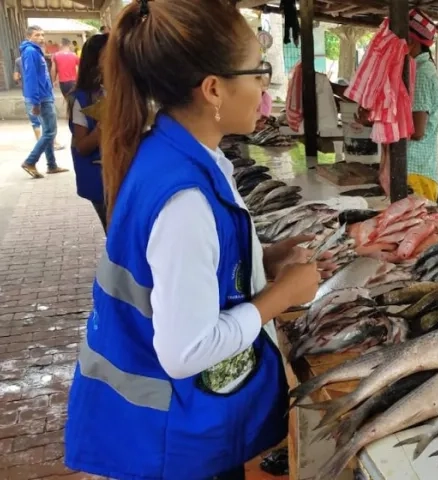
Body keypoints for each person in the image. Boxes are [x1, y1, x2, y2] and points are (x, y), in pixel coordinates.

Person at [63, 1, 331, 479]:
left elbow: (188, 271)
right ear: (213, 89)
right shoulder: (184, 197)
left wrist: (261, 260)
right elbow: (185, 350)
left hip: (167, 427)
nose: (263, 88)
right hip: (169, 440)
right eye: (259, 74)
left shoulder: (181, 155)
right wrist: (280, 297)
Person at [67, 34, 108, 231]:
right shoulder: (81, 99)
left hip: (126, 178)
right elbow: (82, 146)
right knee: (117, 235)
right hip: (100, 181)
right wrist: (102, 128)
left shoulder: (123, 90)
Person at [20, 25, 69, 178]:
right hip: (41, 98)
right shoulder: (30, 52)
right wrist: (35, 102)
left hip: (44, 96)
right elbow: (31, 78)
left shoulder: (35, 51)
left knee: (48, 131)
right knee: (50, 132)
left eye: (42, 35)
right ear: (29, 37)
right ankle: (30, 161)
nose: (41, 38)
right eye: (37, 35)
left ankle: (52, 165)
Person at [405, 8, 438, 202]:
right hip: (417, 172)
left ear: (411, 42)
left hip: (416, 172)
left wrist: (381, 126)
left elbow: (417, 130)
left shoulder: (421, 74)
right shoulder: (418, 70)